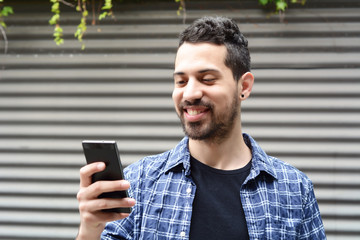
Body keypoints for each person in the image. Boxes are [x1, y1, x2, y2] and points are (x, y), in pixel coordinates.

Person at [76, 16, 326, 240]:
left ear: (244, 86)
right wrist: (90, 230)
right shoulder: (137, 184)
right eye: (181, 81)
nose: (190, 93)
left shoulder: (294, 188)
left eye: (207, 79)